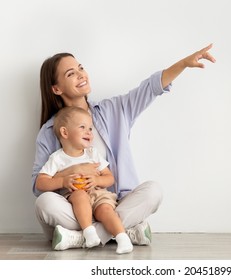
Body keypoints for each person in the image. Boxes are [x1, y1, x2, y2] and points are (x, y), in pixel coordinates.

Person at [32, 44, 216, 250]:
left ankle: (80, 237)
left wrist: (183, 64)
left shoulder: (114, 110)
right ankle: (121, 231)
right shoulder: (49, 131)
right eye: (71, 73)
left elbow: (149, 88)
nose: (81, 75)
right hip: (74, 207)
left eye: (81, 68)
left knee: (153, 191)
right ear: (57, 89)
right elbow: (37, 187)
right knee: (45, 203)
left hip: (112, 203)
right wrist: (70, 174)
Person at [36, 106, 132, 254]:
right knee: (79, 195)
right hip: (74, 198)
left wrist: (96, 180)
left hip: (98, 195)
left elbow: (110, 178)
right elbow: (41, 182)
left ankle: (123, 238)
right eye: (83, 127)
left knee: (106, 209)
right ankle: (89, 232)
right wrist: (62, 182)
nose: (89, 132)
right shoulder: (57, 158)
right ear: (64, 132)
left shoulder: (93, 154)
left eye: (90, 128)